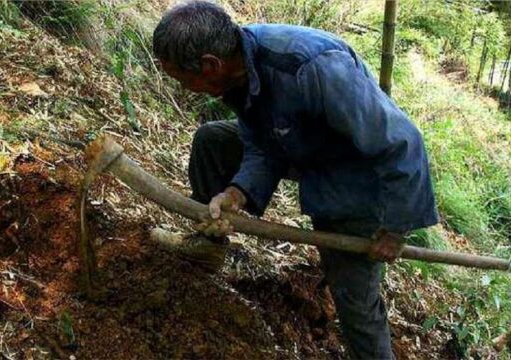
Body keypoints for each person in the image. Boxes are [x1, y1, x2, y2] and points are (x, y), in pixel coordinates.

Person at [152, 1, 439, 359]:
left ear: (210, 64)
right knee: (213, 140)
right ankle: (208, 245)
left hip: (357, 174)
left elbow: (401, 142)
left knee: (355, 300)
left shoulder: (313, 67)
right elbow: (260, 142)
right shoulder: (237, 68)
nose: (183, 88)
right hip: (300, 145)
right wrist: (237, 193)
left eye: (182, 79)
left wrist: (395, 228)